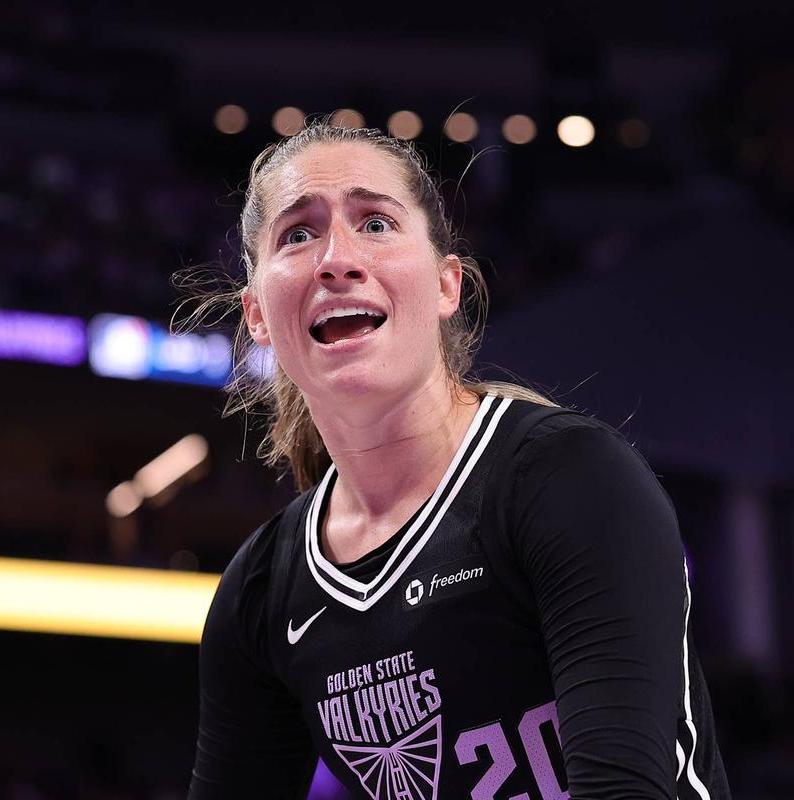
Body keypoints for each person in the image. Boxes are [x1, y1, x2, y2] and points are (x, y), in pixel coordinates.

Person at [185, 121, 731, 799]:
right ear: (258, 316)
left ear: (448, 286)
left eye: (376, 222)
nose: (336, 258)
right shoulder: (261, 594)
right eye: (297, 234)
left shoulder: (569, 478)